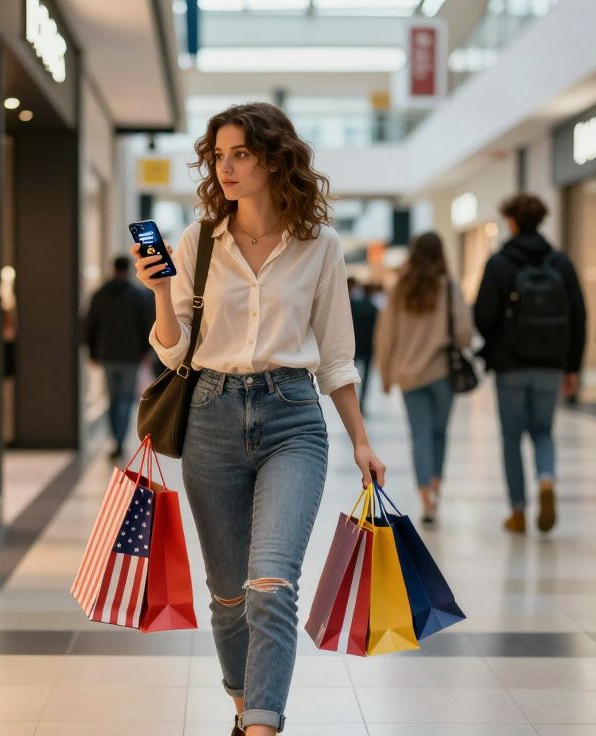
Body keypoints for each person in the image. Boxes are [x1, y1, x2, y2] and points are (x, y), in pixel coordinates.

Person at [135, 102, 385, 736]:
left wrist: (360, 438)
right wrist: (162, 293)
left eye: (239, 154)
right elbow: (172, 349)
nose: (225, 167)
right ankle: (245, 703)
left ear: (274, 160)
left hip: (292, 418)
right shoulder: (198, 242)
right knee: (228, 593)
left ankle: (263, 727)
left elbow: (335, 354)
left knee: (272, 581)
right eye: (218, 156)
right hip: (211, 418)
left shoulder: (320, 245)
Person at [474, 194, 585, 534]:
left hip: (510, 366)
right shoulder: (560, 263)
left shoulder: (499, 263)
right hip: (551, 365)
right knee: (543, 432)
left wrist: (496, 345)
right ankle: (547, 481)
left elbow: (483, 315)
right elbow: (579, 317)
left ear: (511, 221)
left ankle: (518, 511)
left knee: (511, 437)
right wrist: (573, 367)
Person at [375, 232, 473, 526]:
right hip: (442, 373)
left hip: (409, 376)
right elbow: (466, 332)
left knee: (420, 435)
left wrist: (386, 373)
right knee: (440, 433)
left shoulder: (400, 289)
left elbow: (386, 335)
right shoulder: (449, 287)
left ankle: (425, 499)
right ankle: (436, 486)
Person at [84, 255, 154, 459]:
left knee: (113, 399)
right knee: (124, 399)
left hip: (107, 354)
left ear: (111, 269)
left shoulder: (99, 294)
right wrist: (145, 352)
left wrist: (92, 352)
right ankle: (120, 440)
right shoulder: (137, 295)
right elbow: (147, 325)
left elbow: (90, 325)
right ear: (128, 270)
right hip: (130, 356)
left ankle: (116, 439)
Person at [347, 277, 378, 410]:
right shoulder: (373, 308)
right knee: (365, 378)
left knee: (349, 376)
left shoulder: (353, 306)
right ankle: (362, 403)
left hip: (354, 345)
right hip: (369, 346)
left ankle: (351, 403)